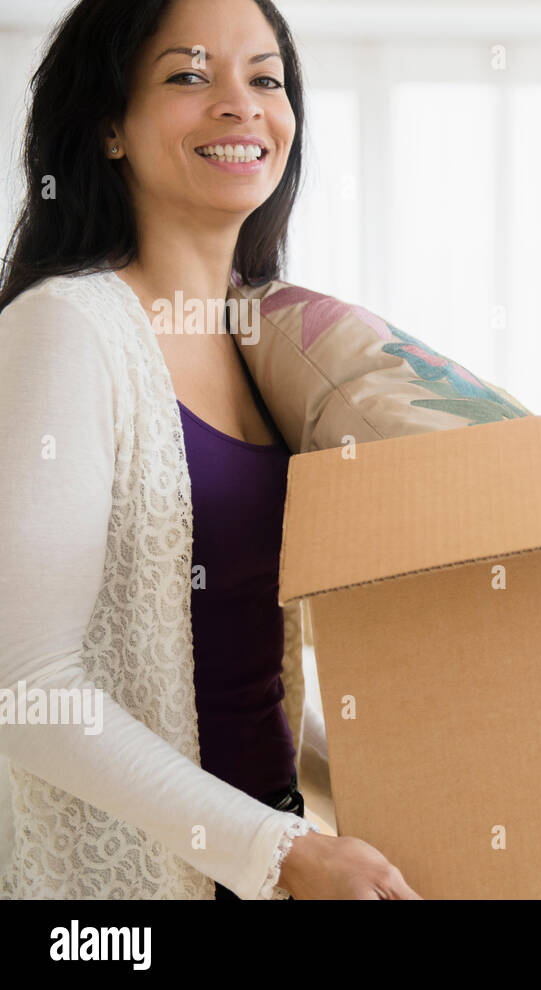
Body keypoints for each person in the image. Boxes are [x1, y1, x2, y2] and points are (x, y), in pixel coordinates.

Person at [0, 0, 416, 899]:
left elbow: (241, 665)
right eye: (190, 75)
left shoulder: (268, 337)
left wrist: (360, 795)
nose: (240, 104)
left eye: (265, 78)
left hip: (265, 857)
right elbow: (26, 690)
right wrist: (282, 852)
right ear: (110, 126)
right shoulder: (67, 328)